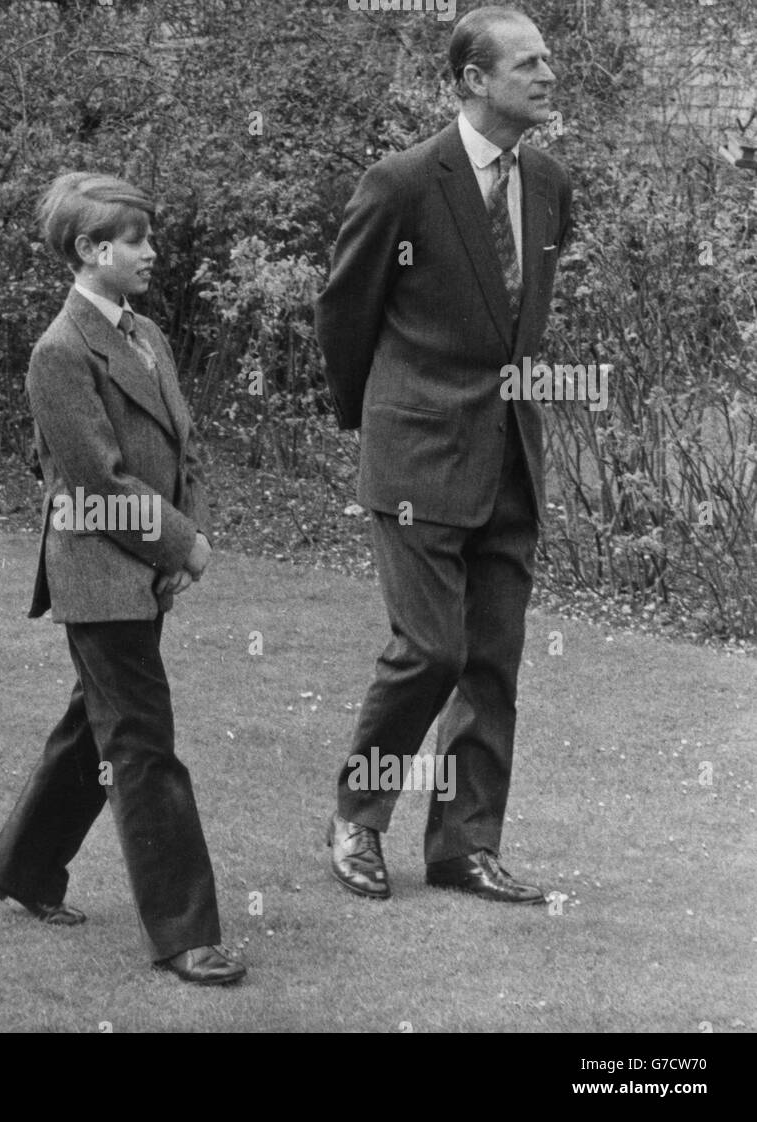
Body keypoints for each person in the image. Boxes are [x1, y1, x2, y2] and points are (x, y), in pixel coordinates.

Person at [315, 6, 572, 905]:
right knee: (430, 649)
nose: (548, 75)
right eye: (528, 63)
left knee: (490, 659)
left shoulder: (547, 180)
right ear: (472, 80)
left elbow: (513, 320)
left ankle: (463, 846)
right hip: (418, 458)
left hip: (510, 454)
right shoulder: (402, 183)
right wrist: (381, 425)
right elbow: (345, 315)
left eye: (547, 60)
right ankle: (359, 816)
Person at [0, 173, 245, 985]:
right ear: (93, 251)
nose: (151, 252)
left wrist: (185, 535)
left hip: (145, 572)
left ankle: (22, 868)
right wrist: (183, 548)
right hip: (98, 574)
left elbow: (182, 446)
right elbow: (99, 485)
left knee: (91, 729)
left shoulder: (148, 335)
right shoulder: (60, 352)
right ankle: (184, 932)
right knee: (140, 744)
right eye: (136, 241)